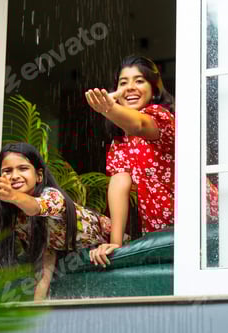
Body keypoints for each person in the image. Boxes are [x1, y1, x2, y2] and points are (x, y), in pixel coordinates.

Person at [0, 142, 126, 301]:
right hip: (72, 256)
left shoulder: (52, 196)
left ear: (39, 176)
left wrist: (13, 196)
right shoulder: (13, 216)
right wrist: (41, 291)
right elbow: (47, 248)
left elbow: (36, 207)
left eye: (23, 168)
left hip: (111, 242)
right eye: (7, 171)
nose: (15, 175)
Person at [85, 55, 175, 266]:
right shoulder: (121, 144)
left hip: (200, 221)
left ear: (154, 89)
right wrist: (116, 245)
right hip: (158, 232)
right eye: (123, 83)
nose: (130, 88)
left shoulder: (161, 116)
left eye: (139, 80)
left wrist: (108, 108)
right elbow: (119, 184)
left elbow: (139, 126)